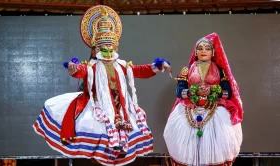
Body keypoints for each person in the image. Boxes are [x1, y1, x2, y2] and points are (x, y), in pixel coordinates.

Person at [33, 5, 171, 166]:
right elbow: (80, 71)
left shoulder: (121, 65)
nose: (107, 51)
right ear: (96, 49)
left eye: (110, 48)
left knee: (126, 131)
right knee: (97, 138)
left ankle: (119, 150)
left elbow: (139, 71)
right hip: (98, 107)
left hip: (120, 107)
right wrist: (73, 68)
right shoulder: (91, 66)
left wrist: (159, 65)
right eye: (103, 48)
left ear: (115, 48)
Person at [163, 33, 243, 166]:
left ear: (213, 52)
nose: (203, 51)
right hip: (190, 109)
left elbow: (228, 92)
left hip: (214, 109)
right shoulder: (187, 69)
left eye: (207, 48)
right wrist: (192, 91)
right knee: (182, 143)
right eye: (200, 48)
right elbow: (179, 92)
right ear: (195, 52)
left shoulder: (219, 70)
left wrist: (212, 91)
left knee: (219, 143)